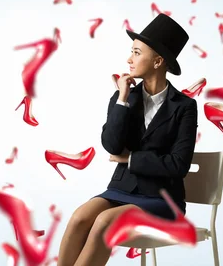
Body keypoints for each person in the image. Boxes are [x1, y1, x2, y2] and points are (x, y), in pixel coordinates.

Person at [57, 14, 198, 266]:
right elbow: (111, 145)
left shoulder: (185, 107)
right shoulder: (123, 98)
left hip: (162, 200)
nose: (128, 59)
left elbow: (178, 165)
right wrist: (122, 98)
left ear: (157, 60)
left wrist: (130, 158)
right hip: (121, 190)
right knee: (80, 217)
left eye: (136, 52)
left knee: (104, 221)